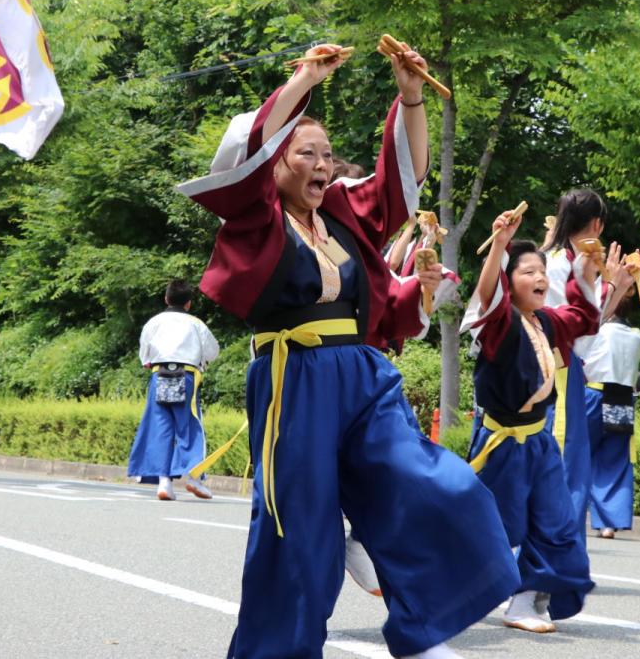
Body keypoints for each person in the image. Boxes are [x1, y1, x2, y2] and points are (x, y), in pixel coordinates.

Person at [177, 43, 518, 659]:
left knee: (429, 483)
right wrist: (306, 79)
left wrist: (410, 95)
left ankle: (420, 627)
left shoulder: (336, 214)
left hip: (361, 373)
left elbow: (397, 186)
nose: (322, 165)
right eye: (305, 153)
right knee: (300, 536)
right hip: (295, 377)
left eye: (328, 155)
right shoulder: (256, 216)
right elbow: (244, 162)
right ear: (272, 164)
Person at [462, 211, 604, 633]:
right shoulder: (498, 322)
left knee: (557, 526)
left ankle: (524, 602)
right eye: (529, 272)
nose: (541, 277)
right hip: (502, 443)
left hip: (538, 442)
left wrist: (585, 272)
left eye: (543, 271)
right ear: (510, 282)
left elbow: (584, 316)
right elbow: (487, 295)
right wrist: (500, 247)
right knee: (497, 528)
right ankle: (439, 587)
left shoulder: (546, 321)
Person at [541, 189, 626, 531]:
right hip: (561, 367)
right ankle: (556, 556)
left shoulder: (548, 259)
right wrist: (613, 287)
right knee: (564, 462)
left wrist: (615, 286)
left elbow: (587, 322)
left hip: (549, 365)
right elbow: (582, 327)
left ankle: (554, 557)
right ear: (597, 224)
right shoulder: (566, 264)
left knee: (563, 462)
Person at [127, 279, 220, 501]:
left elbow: (144, 354)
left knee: (160, 427)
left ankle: (164, 483)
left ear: (166, 299)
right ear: (189, 303)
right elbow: (213, 351)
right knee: (189, 426)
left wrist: (150, 361)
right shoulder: (196, 324)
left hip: (159, 375)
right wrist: (202, 362)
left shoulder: (154, 323)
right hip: (186, 375)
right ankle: (194, 477)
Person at [583, 281, 640, 538]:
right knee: (614, 459)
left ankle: (570, 512)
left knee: (576, 453)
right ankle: (609, 522)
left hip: (592, 394)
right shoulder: (638, 337)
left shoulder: (597, 333)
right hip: (623, 398)